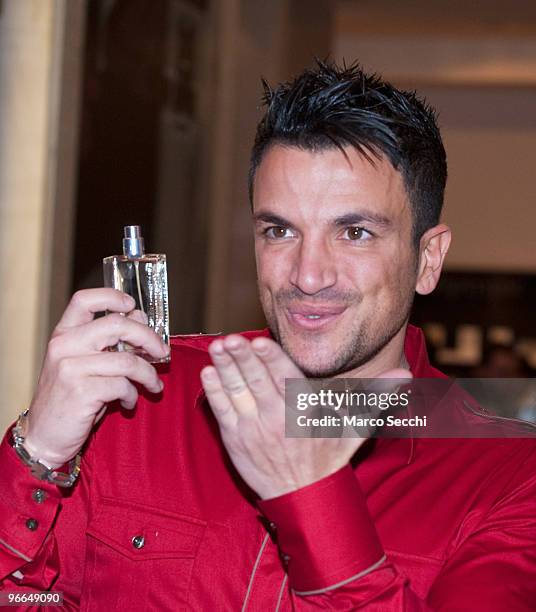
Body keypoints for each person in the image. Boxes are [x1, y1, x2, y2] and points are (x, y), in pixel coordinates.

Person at [1, 61, 535, 611]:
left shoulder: (510, 477)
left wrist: (310, 501)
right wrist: (34, 454)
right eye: (280, 230)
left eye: (354, 233)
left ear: (427, 259)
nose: (307, 275)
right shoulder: (142, 397)